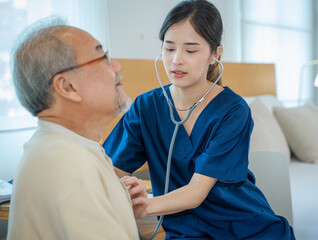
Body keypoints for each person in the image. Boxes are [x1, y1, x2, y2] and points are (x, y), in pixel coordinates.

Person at [104, 0, 295, 239]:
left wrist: (145, 206)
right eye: (169, 48)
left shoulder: (233, 110)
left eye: (190, 50)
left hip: (242, 225)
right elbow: (111, 170)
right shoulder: (146, 107)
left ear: (215, 54)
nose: (176, 60)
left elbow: (196, 192)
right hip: (185, 229)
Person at [7, 17, 147, 240]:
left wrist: (117, 204)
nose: (117, 66)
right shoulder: (67, 164)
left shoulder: (67, 148)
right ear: (67, 87)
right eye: (103, 58)